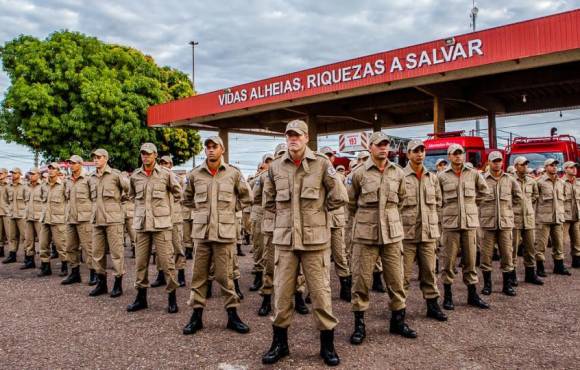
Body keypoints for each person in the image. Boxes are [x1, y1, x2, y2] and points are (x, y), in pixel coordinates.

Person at [261, 120, 345, 366]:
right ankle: (280, 344)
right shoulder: (276, 167)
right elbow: (268, 201)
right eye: (289, 135)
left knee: (320, 295)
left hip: (315, 242)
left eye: (297, 135)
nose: (293, 139)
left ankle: (327, 346)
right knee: (282, 295)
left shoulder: (321, 164)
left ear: (307, 138)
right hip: (286, 242)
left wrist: (318, 214)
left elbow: (339, 196)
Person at [347, 131, 417, 347]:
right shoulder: (359, 173)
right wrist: (365, 220)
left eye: (386, 145)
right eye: (379, 145)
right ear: (371, 148)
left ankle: (398, 321)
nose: (383, 148)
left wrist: (389, 218)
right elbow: (350, 202)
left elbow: (402, 200)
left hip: (392, 235)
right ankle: (359, 325)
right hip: (365, 235)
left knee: (396, 280)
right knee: (361, 281)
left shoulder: (397, 173)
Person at [182, 136, 253, 336]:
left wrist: (230, 210)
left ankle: (233, 316)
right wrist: (202, 212)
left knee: (225, 277)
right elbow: (186, 198)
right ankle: (196, 317)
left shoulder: (233, 173)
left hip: (224, 234)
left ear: (222, 150)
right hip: (202, 234)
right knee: (198, 276)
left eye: (215, 147)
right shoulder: (195, 174)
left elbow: (247, 197)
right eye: (208, 147)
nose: (211, 150)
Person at [126, 143, 182, 313]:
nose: (145, 156)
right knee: (140, 263)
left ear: (155, 155)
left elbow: (178, 193)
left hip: (161, 225)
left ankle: (172, 298)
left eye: (149, 154)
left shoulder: (166, 174)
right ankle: (141, 298)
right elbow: (131, 195)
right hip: (142, 225)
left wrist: (166, 210)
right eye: (143, 154)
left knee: (167, 263)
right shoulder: (136, 176)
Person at [438, 144, 490, 310]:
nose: (458, 156)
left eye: (460, 153)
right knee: (449, 261)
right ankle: (448, 295)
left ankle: (472, 295)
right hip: (450, 224)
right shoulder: (441, 176)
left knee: (470, 260)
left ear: (464, 155)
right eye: (455, 154)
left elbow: (484, 192)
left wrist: (472, 205)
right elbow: (437, 198)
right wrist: (444, 213)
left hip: (469, 223)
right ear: (449, 156)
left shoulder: (473, 174)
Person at [400, 140, 447, 321]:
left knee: (429, 272)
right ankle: (399, 310)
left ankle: (432, 306)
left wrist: (436, 227)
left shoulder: (432, 177)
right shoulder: (400, 176)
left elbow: (438, 203)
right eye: (415, 151)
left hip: (428, 234)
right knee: (402, 276)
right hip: (407, 234)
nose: (419, 154)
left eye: (422, 150)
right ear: (408, 154)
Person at [478, 151, 522, 296]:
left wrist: (508, 210)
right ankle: (487, 285)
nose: (497, 163)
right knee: (486, 256)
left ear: (502, 162)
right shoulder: (482, 179)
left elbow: (518, 197)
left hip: (505, 223)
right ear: (489, 162)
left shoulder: (509, 179)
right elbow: (475, 198)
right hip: (487, 223)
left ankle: (507, 285)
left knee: (507, 255)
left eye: (499, 161)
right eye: (494, 161)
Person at [88, 148, 129, 297]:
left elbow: (129, 189)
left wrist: (121, 201)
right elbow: (90, 197)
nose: (96, 160)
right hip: (97, 219)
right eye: (94, 157)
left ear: (106, 158)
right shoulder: (91, 177)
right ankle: (101, 283)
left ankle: (118, 284)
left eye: (99, 157)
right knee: (97, 253)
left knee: (116, 253)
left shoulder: (115, 175)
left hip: (113, 220)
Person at [320, 146, 352, 302]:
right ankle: (317, 291)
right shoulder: (315, 174)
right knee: (320, 260)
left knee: (340, 256)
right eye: (324, 155)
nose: (327, 157)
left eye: (330, 155)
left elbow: (345, 197)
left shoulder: (339, 176)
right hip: (319, 223)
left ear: (333, 158)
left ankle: (345, 287)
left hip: (336, 221)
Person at [150, 155, 187, 288]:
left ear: (171, 165)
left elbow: (182, 195)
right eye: (161, 163)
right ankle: (161, 274)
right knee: (161, 249)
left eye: (166, 163)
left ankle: (181, 274)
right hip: (161, 219)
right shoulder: (157, 177)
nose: (164, 165)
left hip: (175, 217)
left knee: (177, 246)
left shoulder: (177, 178)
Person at [62, 155, 95, 285]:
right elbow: (67, 197)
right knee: (70, 247)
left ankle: (94, 273)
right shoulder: (68, 180)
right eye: (70, 163)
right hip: (71, 218)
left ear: (80, 164)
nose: (71, 165)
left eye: (73, 163)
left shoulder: (88, 179)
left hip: (85, 218)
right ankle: (74, 273)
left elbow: (94, 198)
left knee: (89, 248)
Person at [535, 158, 570, 276]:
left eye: (555, 165)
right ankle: (540, 268)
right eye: (551, 165)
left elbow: (563, 199)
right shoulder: (539, 182)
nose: (554, 167)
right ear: (545, 168)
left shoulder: (561, 183)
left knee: (559, 243)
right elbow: (534, 199)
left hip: (558, 217)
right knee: (541, 244)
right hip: (544, 218)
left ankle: (559, 266)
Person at [512, 156, 543, 284]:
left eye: (526, 164)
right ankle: (511, 275)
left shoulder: (531, 181)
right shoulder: (510, 180)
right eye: (522, 164)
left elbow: (535, 196)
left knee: (530, 247)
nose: (525, 166)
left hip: (529, 218)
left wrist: (527, 206)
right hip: (515, 218)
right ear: (515, 166)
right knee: (512, 249)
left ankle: (530, 275)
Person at [249, 154, 274, 292]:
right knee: (259, 246)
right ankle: (258, 276)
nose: (270, 163)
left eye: (272, 160)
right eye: (267, 161)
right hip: (261, 214)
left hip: (278, 215)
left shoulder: (281, 173)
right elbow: (254, 196)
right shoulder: (261, 177)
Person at [38, 163, 67, 277]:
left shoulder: (63, 185)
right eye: (49, 168)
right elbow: (42, 198)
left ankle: (65, 266)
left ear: (58, 171)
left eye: (53, 169)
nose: (50, 171)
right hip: (46, 219)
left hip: (58, 219)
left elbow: (68, 200)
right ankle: (46, 267)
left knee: (61, 245)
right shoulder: (44, 185)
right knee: (43, 244)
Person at [3, 168, 28, 264]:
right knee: (12, 236)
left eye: (15, 173)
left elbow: (27, 201)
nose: (13, 175)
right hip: (12, 214)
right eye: (12, 173)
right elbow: (6, 200)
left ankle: (27, 256)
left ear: (20, 174)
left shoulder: (24, 186)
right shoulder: (8, 187)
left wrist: (25, 212)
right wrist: (9, 210)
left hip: (22, 215)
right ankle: (12, 254)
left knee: (25, 237)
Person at [22, 168, 45, 269]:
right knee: (28, 240)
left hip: (39, 217)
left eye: (33, 174)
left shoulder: (43, 186)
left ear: (38, 175)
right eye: (30, 174)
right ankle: (30, 261)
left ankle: (44, 263)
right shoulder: (26, 187)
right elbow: (24, 200)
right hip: (28, 217)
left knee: (42, 240)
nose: (31, 176)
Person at [562, 161, 580, 268]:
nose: (574, 169)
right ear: (565, 169)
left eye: (575, 167)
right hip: (564, 216)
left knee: (577, 240)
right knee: (562, 241)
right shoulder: (560, 182)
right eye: (571, 167)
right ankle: (559, 263)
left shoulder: (578, 183)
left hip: (576, 215)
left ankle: (576, 261)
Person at [0, 168, 9, 258]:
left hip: (7, 213)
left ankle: (12, 253)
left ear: (6, 174)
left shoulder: (9, 185)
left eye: (1, 173)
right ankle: (1, 250)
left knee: (10, 235)